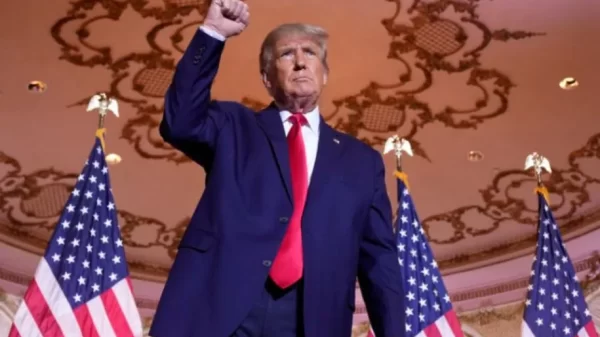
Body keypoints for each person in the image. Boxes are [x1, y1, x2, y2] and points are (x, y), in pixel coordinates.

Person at [149, 0, 406, 336]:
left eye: (310, 53)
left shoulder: (362, 162)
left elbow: (379, 262)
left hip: (313, 317)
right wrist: (212, 33)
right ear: (267, 79)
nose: (300, 62)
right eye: (286, 54)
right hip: (220, 305)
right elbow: (179, 122)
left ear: (324, 73)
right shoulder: (233, 126)